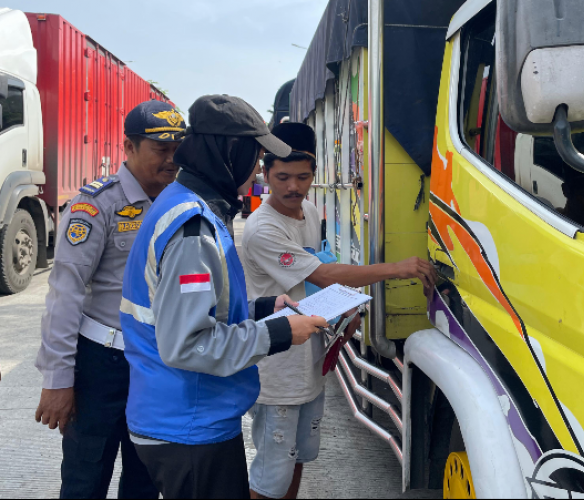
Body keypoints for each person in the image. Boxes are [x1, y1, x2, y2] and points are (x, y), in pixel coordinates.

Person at [120, 95, 329, 500]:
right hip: (189, 425)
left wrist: (265, 309)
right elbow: (188, 343)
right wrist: (279, 334)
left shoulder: (186, 206)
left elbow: (192, 310)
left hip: (184, 416)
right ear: (231, 151)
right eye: (255, 155)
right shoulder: (193, 229)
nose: (257, 170)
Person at [242, 122, 437, 500]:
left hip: (308, 361)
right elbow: (325, 274)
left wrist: (348, 314)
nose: (292, 187)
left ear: (314, 174)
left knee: (295, 461)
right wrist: (398, 268)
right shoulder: (262, 228)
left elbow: (312, 281)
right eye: (281, 177)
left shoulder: (309, 213)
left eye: (302, 177)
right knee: (269, 477)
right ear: (265, 174)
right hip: (276, 371)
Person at [34, 100, 186, 499]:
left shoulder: (181, 203)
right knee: (86, 479)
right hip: (101, 366)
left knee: (146, 479)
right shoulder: (97, 205)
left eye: (177, 149)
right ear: (129, 148)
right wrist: (58, 381)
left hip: (157, 363)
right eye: (160, 149)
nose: (172, 160)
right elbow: (65, 294)